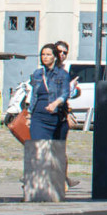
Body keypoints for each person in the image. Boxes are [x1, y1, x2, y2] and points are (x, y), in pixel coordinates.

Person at [24, 43, 71, 201]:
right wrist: (29, 115)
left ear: (55, 57)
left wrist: (55, 104)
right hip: (39, 115)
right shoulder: (37, 74)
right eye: (43, 54)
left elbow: (65, 93)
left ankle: (54, 190)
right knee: (37, 150)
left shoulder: (62, 74)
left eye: (49, 54)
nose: (45, 57)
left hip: (54, 116)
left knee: (53, 153)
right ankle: (34, 190)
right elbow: (33, 96)